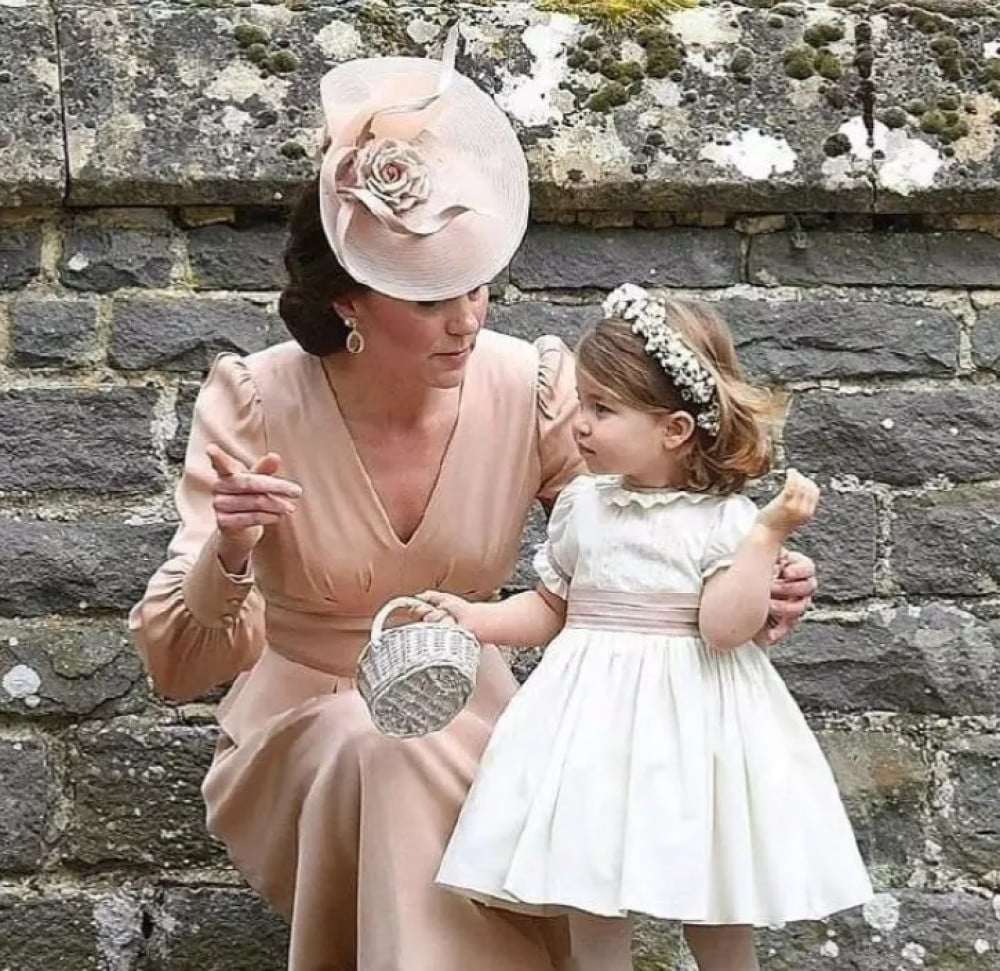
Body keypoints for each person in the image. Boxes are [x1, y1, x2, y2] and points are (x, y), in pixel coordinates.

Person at [128, 31, 819, 971]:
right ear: (349, 302)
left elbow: (637, 533)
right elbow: (178, 658)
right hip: (304, 729)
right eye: (430, 300)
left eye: (478, 288)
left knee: (441, 757)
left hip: (483, 715)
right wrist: (232, 551)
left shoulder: (531, 384)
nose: (467, 320)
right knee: (380, 745)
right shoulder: (255, 397)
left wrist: (751, 571)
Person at [416, 284, 873, 971]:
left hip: (696, 732)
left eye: (602, 409)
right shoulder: (584, 506)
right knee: (589, 889)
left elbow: (725, 627)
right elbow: (552, 607)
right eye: (581, 403)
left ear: (674, 429)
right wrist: (475, 618)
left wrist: (767, 535)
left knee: (715, 897)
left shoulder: (725, 521)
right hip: (591, 732)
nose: (580, 425)